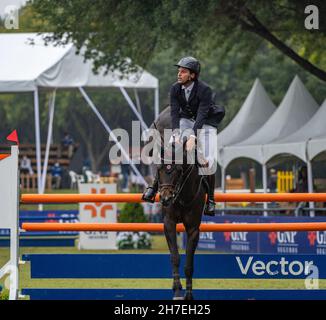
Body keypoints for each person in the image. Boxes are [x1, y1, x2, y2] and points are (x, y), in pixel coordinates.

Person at [142, 56, 222, 216]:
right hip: (184, 120)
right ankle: (154, 186)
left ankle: (211, 200)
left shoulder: (204, 90)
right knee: (168, 153)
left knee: (207, 161)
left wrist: (193, 137)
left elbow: (201, 115)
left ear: (192, 75)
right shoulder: (175, 89)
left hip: (206, 122)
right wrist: (177, 134)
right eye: (178, 71)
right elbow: (174, 113)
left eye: (183, 71)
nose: (179, 74)